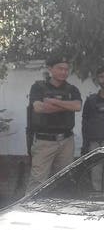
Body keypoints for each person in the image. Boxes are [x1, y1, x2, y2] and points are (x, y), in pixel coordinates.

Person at [25, 54, 82, 193]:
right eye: (60, 68)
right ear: (50, 68)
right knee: (38, 181)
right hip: (44, 141)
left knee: (64, 179)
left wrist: (54, 102)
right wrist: (66, 105)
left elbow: (77, 107)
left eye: (66, 69)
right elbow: (38, 108)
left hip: (66, 141)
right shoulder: (38, 87)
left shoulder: (72, 89)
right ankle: (31, 212)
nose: (64, 72)